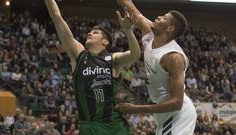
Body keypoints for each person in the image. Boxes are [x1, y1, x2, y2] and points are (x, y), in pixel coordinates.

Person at [45, 0, 141, 134]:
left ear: (105, 42)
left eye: (95, 33)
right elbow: (57, 18)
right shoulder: (78, 54)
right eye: (90, 32)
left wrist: (128, 31)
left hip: (112, 125)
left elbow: (135, 55)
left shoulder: (113, 59)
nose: (90, 33)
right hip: (88, 125)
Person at [116, 0, 197, 135]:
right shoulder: (149, 34)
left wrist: (136, 109)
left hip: (178, 113)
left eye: (164, 18)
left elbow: (177, 102)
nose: (159, 17)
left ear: (170, 28)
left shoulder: (172, 57)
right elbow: (130, 7)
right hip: (163, 113)